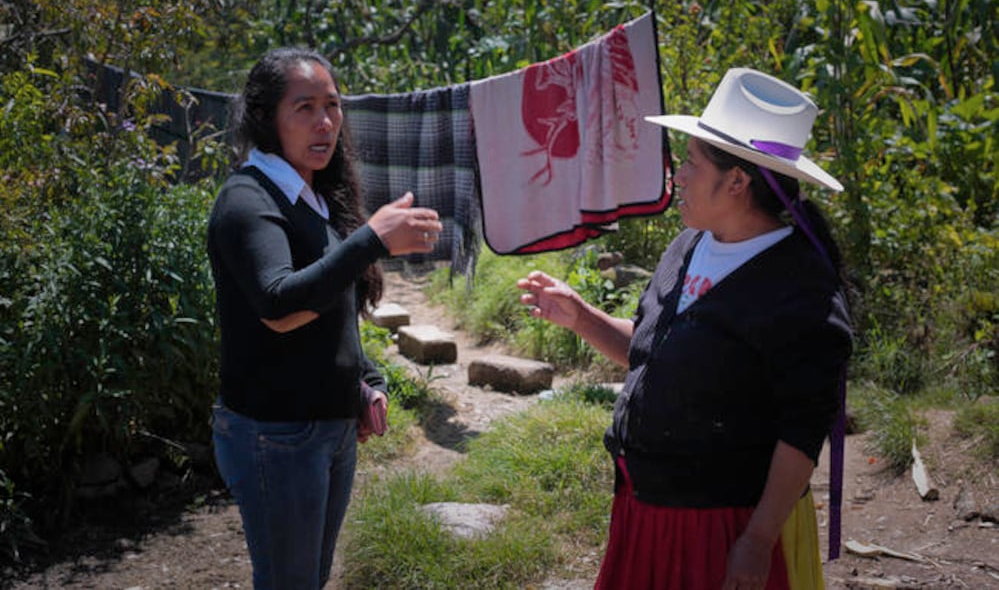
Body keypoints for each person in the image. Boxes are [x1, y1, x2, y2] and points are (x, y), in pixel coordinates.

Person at [518, 68, 853, 589]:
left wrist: (758, 541)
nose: (679, 176)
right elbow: (656, 353)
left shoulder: (800, 292)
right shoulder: (691, 245)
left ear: (737, 182)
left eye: (692, 164)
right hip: (647, 506)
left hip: (724, 524)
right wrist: (581, 317)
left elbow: (800, 436)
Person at [207, 47, 443, 590]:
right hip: (277, 434)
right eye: (305, 107)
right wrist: (372, 240)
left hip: (326, 429)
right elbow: (281, 306)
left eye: (333, 106)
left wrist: (364, 379)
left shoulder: (311, 195)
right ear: (266, 118)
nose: (325, 122)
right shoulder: (248, 200)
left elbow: (329, 309)